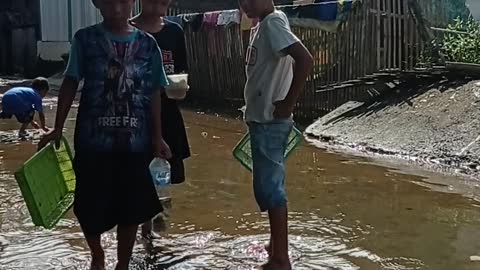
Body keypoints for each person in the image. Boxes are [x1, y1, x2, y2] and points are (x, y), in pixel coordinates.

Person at [38, 0, 172, 269]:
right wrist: (57, 127)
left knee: (131, 208)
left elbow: (154, 92)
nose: (116, 6)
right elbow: (71, 81)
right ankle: (97, 254)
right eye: (109, 0)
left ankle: (122, 264)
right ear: (97, 3)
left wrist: (157, 137)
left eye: (122, 0)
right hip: (92, 141)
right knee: (88, 206)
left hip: (136, 143)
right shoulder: (84, 39)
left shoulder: (148, 45)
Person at [239, 0, 313, 269]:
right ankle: (276, 244)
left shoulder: (272, 23)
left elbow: (305, 60)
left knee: (271, 189)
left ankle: (280, 258)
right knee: (268, 184)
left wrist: (288, 103)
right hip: (264, 120)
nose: (244, 4)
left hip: (271, 121)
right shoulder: (264, 24)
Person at [130, 0, 191, 240]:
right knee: (136, 172)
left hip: (168, 113)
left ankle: (155, 231)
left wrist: (180, 88)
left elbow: (182, 70)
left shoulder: (174, 31)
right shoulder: (129, 30)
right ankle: (140, 229)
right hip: (135, 114)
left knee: (162, 175)